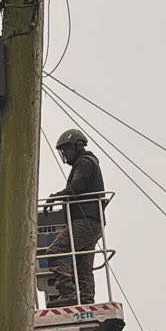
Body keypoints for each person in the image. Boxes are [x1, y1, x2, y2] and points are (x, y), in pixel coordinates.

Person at [43, 128, 106, 305]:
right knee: (82, 264)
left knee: (54, 252)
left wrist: (56, 196)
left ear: (79, 146)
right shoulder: (86, 161)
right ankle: (86, 299)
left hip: (86, 221)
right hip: (93, 222)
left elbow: (77, 185)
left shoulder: (85, 162)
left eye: (67, 150)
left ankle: (68, 293)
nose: (65, 154)